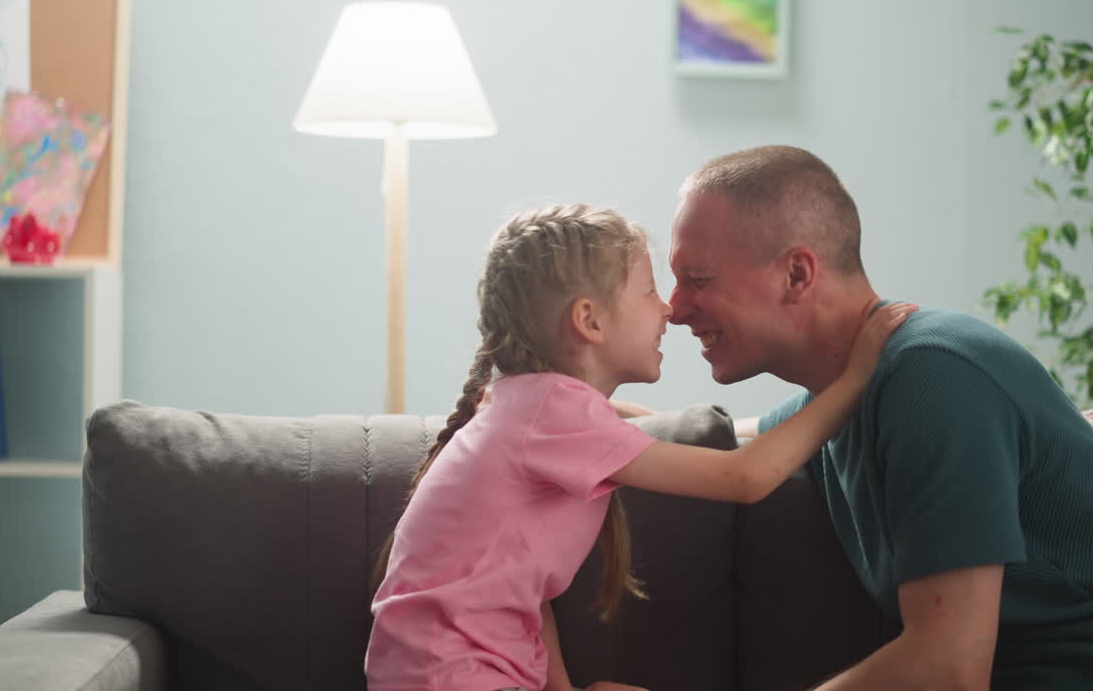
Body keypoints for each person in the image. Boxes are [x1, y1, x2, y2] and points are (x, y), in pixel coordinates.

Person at [666, 144, 1093, 690]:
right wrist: (583, 408)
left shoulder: (932, 376)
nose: (675, 307)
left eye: (698, 278)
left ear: (796, 274)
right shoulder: (838, 397)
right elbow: (713, 441)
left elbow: (947, 669)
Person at [364, 203, 914, 691]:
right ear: (588, 320)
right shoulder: (550, 412)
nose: (669, 311)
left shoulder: (528, 407)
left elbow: (525, 600)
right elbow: (745, 478)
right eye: (649, 291)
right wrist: (854, 380)